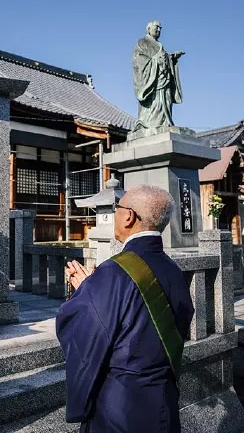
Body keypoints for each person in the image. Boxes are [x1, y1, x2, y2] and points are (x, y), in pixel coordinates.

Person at [56, 185, 194, 433]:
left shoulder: (112, 271)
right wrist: (90, 289)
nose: (116, 215)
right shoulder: (173, 269)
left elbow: (86, 336)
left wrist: (83, 293)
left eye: (117, 209)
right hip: (164, 400)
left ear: (129, 216)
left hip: (120, 406)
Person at [133, 21, 185, 132]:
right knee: (155, 104)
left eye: (160, 28)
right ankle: (151, 123)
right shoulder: (142, 42)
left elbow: (163, 58)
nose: (159, 30)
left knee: (165, 101)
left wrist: (172, 57)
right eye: (156, 28)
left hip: (164, 80)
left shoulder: (159, 45)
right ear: (148, 29)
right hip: (152, 82)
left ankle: (165, 122)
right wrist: (157, 61)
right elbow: (139, 61)